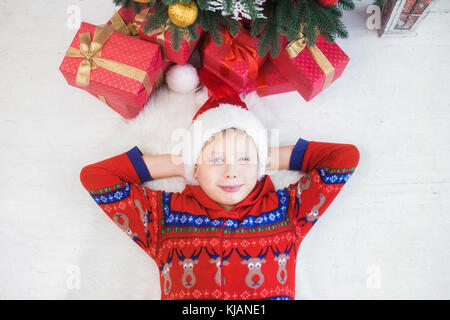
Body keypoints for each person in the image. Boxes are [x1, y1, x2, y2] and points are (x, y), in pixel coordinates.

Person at [79, 67, 360, 300]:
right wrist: (180, 163)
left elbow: (344, 158)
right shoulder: (163, 217)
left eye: (243, 159)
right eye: (215, 160)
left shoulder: (288, 211)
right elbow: (97, 178)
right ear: (195, 167)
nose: (231, 172)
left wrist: (264, 157)